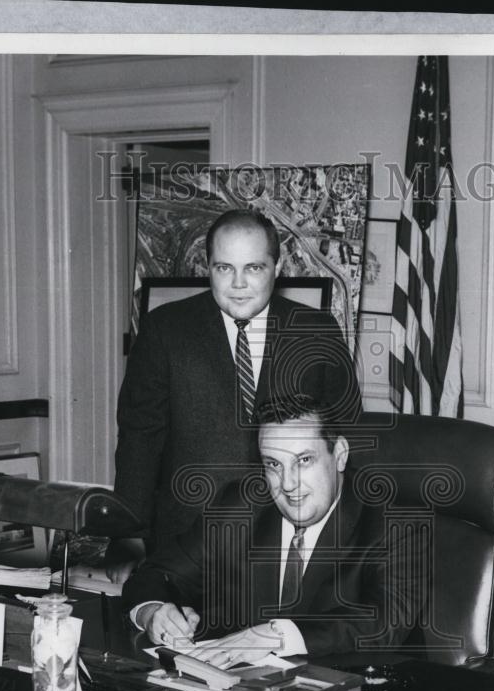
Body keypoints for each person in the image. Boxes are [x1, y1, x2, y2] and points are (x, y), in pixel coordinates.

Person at [112, 209, 362, 580]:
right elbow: (139, 439)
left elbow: (347, 436)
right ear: (207, 267)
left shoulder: (317, 332)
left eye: (254, 268)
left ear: (276, 269)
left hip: (289, 545)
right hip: (186, 544)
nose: (239, 283)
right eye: (224, 268)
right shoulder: (164, 330)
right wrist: (128, 534)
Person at [122, 394, 426, 664]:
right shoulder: (240, 507)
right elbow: (155, 573)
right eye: (274, 465)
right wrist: (153, 613)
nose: (288, 484)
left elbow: (386, 621)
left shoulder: (393, 522)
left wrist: (274, 635)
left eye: (304, 460)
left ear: (340, 455)